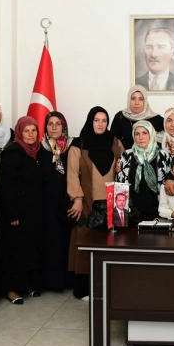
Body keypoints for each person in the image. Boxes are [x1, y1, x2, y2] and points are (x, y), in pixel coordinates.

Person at [67, 107, 124, 300]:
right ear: (90, 121)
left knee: (110, 244)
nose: (100, 124)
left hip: (112, 203)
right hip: (87, 203)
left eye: (104, 120)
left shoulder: (115, 142)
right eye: (96, 120)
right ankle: (83, 290)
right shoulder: (79, 144)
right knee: (85, 243)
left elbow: (124, 165)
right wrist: (77, 199)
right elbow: (72, 174)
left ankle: (107, 288)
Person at [0, 116, 43, 305]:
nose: (30, 134)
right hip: (16, 214)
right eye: (26, 131)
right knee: (15, 251)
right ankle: (12, 289)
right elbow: (5, 186)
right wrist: (12, 214)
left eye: (34, 130)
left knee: (29, 249)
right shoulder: (12, 153)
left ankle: (27, 285)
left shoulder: (37, 152)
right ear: (19, 132)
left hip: (32, 212)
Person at [36, 111, 72, 291]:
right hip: (47, 202)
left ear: (63, 127)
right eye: (50, 124)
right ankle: (51, 281)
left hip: (67, 201)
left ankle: (67, 280)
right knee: (50, 240)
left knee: (66, 239)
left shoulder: (72, 147)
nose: (54, 127)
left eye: (58, 124)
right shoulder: (39, 149)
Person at [116, 121, 172, 218]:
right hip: (131, 214)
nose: (141, 137)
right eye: (137, 134)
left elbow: (170, 181)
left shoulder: (164, 155)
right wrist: (120, 217)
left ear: (151, 134)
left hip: (160, 212)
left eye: (144, 133)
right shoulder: (127, 155)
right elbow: (120, 185)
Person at [110, 86, 164, 150]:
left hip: (150, 155)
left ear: (145, 101)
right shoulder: (121, 117)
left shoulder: (155, 118)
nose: (136, 103)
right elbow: (113, 141)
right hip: (126, 155)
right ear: (128, 100)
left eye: (141, 99)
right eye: (133, 98)